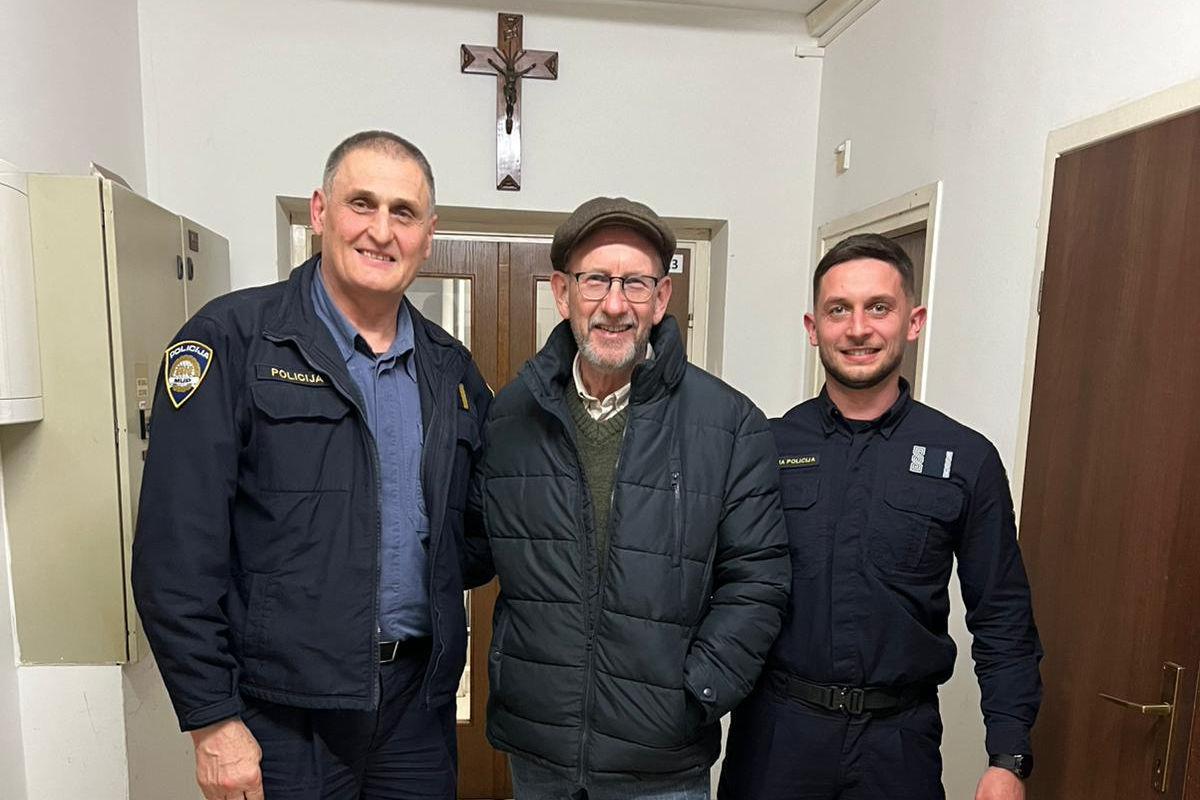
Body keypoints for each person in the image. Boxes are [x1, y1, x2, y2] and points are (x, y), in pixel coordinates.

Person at [131, 130, 491, 800]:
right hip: (280, 716)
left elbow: (472, 530)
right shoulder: (233, 340)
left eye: (404, 212)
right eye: (362, 204)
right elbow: (174, 553)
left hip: (415, 711)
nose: (381, 230)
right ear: (321, 211)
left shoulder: (450, 368)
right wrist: (213, 719)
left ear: (428, 235)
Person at [463, 197, 791, 799]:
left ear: (661, 298)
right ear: (563, 293)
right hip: (540, 755)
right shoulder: (511, 416)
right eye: (595, 280)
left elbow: (758, 579)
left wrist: (698, 692)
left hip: (662, 763)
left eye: (634, 283)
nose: (614, 305)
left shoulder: (730, 424)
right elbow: (475, 547)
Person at [718, 233, 1042, 800]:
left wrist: (1008, 757)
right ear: (813, 327)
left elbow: (1003, 615)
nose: (858, 328)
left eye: (878, 308)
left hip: (898, 746)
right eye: (838, 310)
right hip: (776, 737)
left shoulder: (965, 458)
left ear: (913, 322)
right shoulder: (764, 447)